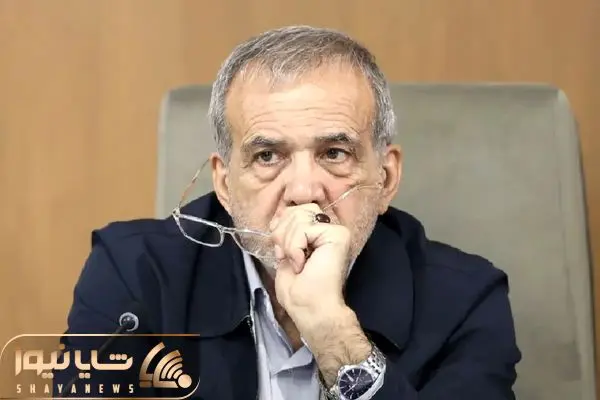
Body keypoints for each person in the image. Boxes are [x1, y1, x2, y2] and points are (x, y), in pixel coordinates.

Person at [58, 26, 521, 400]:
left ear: (385, 178)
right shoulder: (132, 273)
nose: (303, 192)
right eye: (267, 157)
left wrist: (332, 332)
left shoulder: (467, 301)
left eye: (335, 153)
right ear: (225, 184)